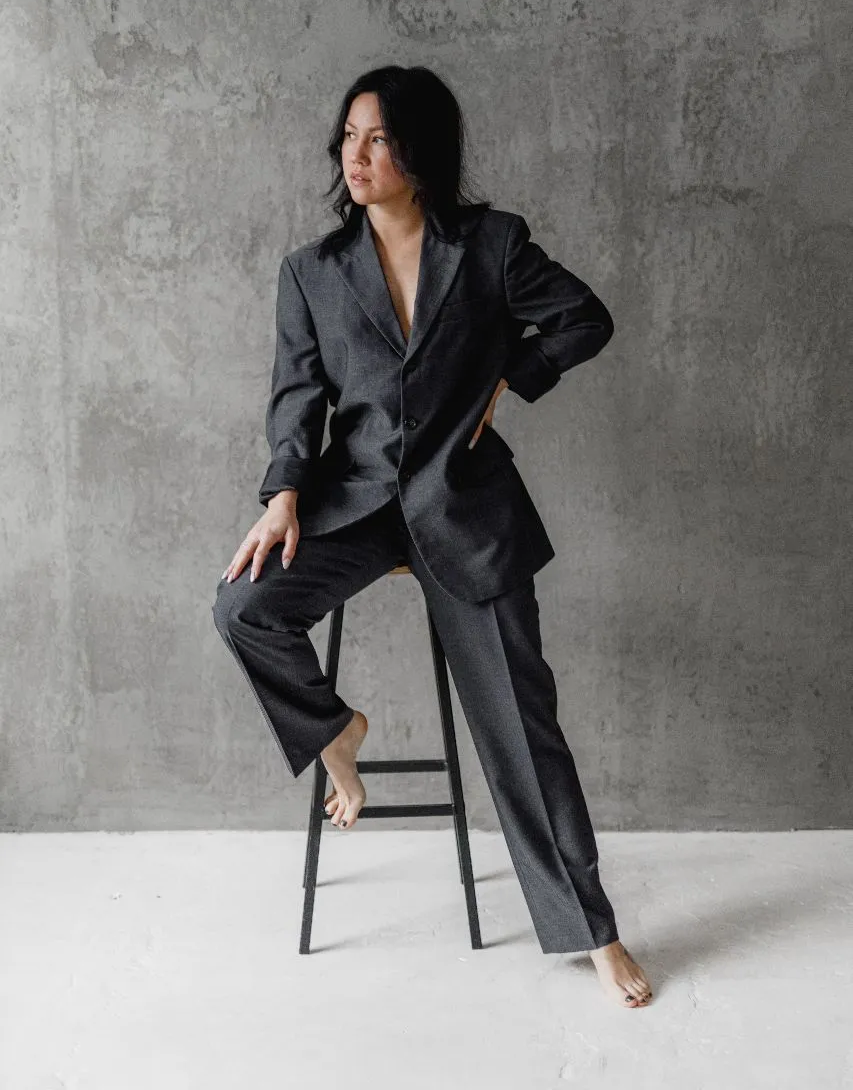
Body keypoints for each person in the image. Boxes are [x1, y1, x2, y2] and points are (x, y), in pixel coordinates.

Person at [212, 65, 652, 1008]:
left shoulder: (490, 246)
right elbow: (296, 401)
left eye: (377, 138)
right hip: (355, 503)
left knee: (524, 731)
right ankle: (337, 732)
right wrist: (282, 495)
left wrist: (512, 379)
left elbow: (583, 319)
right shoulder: (312, 272)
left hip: (466, 508)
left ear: (419, 151)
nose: (356, 155)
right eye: (348, 137)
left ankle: (593, 933)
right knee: (243, 607)